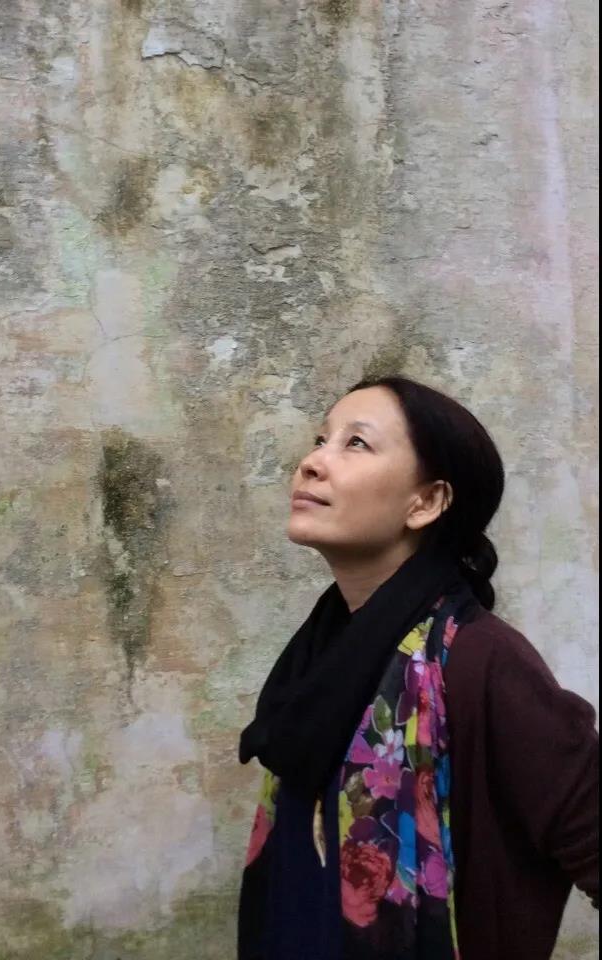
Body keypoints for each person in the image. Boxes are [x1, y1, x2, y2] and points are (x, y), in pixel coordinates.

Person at [237, 375, 598, 960]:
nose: (312, 462)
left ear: (425, 502)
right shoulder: (320, 653)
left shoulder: (480, 660)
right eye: (321, 439)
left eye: (356, 443)